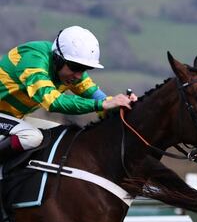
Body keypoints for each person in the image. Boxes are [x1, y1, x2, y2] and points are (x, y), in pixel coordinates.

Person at [0, 26, 137, 159]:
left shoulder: (69, 71)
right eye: (76, 67)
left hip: (13, 117)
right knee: (31, 137)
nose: (78, 75)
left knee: (64, 135)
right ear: (58, 59)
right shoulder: (34, 59)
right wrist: (103, 104)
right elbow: (53, 102)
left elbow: (98, 97)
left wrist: (123, 105)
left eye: (84, 69)